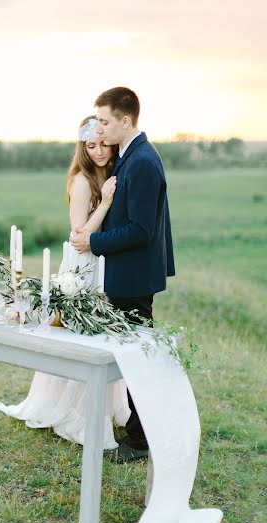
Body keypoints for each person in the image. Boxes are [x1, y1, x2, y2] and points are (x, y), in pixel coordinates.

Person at [0, 116, 130, 450]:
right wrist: (108, 202)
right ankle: (76, 412)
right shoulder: (83, 180)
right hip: (83, 265)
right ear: (82, 147)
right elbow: (81, 234)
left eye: (102, 143)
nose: (99, 151)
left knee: (102, 333)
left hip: (103, 262)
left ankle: (108, 405)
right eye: (91, 146)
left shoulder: (107, 173)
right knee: (80, 335)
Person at [71, 87, 175, 462]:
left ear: (125, 120)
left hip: (133, 278)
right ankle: (139, 429)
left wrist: (95, 242)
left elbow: (141, 230)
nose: (98, 128)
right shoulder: (129, 157)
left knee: (138, 362)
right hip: (126, 274)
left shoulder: (143, 161)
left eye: (103, 120)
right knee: (133, 358)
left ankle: (140, 441)